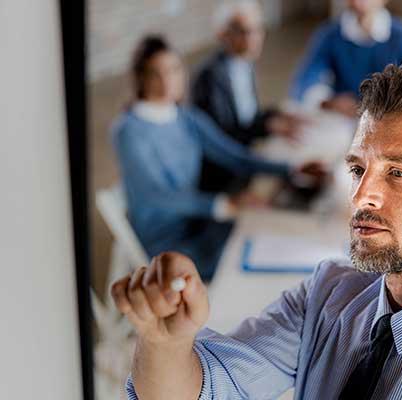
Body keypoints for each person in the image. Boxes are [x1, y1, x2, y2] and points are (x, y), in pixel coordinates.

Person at [112, 64, 402, 399]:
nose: (361, 197)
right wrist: (165, 343)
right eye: (359, 170)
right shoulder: (327, 294)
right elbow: (210, 389)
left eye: (397, 173)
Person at [112, 35, 324, 282]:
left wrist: (292, 169)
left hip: (200, 222)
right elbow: (156, 195)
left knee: (265, 231)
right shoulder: (128, 130)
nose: (166, 79)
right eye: (154, 73)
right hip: (168, 244)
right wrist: (221, 205)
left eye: (173, 69)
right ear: (140, 78)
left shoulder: (187, 118)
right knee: (248, 258)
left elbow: (236, 157)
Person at [191, 1, 307, 193]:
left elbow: (247, 119)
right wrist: (267, 126)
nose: (254, 39)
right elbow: (221, 140)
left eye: (258, 30)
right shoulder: (209, 78)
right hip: (223, 174)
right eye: (244, 32)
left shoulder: (245, 63)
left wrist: (275, 116)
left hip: (245, 158)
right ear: (223, 34)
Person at [289, 0, 402, 118]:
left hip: (388, 116)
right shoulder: (330, 34)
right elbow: (307, 78)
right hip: (344, 117)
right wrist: (328, 102)